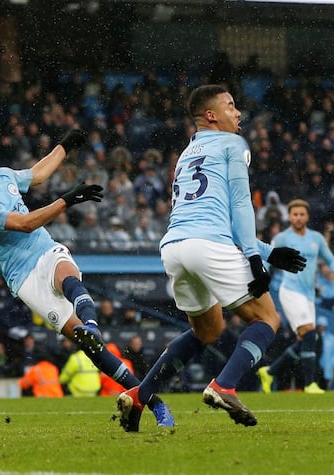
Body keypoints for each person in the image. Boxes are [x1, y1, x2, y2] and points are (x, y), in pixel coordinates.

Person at [116, 85, 307, 432]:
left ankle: (140, 396)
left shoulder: (188, 153)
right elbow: (238, 206)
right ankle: (224, 385)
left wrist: (269, 251)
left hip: (174, 248)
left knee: (208, 329)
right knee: (267, 318)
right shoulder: (233, 144)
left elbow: (208, 214)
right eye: (231, 106)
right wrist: (254, 259)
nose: (238, 114)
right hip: (209, 245)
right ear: (211, 115)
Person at [0, 130, 174, 427]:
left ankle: (93, 328)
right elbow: (24, 223)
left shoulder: (5, 177)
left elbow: (38, 174)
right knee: (90, 349)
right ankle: (152, 402)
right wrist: (66, 201)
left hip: (45, 250)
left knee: (69, 278)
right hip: (24, 278)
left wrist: (65, 145)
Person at [258, 199, 334, 394]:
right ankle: (310, 384)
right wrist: (261, 278)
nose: (298, 218)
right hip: (290, 291)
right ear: (289, 217)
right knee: (309, 332)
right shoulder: (282, 239)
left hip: (309, 294)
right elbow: (268, 259)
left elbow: (330, 259)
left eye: (302, 214)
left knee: (306, 339)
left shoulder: (316, 238)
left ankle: (270, 371)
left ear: (307, 217)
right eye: (295, 214)